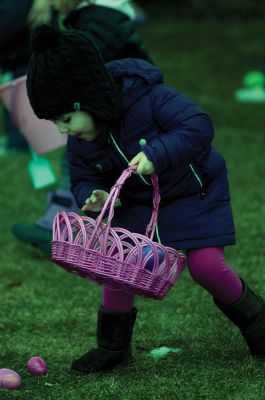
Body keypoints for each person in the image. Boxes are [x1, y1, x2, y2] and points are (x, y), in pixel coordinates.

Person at [26, 24, 265, 374]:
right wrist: (91, 195)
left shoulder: (149, 98)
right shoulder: (82, 139)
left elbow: (198, 126)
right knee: (117, 266)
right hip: (138, 202)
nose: (64, 131)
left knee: (206, 267)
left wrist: (157, 152)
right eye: (55, 124)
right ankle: (113, 347)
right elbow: (82, 175)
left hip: (192, 192)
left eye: (65, 119)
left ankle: (258, 324)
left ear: (88, 99)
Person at [12, 0, 152, 254]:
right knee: (78, 160)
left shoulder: (103, 18)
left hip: (127, 112)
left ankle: (65, 226)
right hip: (104, 110)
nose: (50, 4)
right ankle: (60, 224)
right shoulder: (89, 16)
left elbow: (84, 62)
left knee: (124, 171)